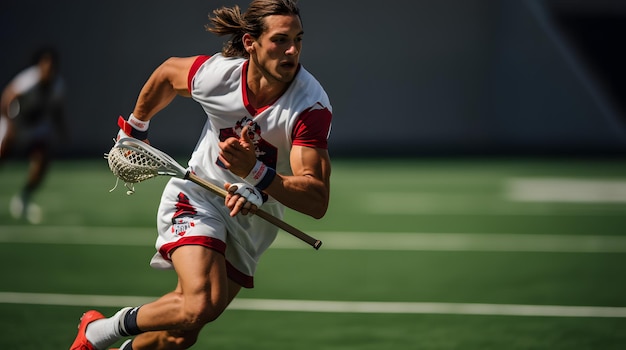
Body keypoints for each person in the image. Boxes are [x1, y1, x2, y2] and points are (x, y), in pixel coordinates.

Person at [70, 0, 332, 349]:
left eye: (298, 40)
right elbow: (167, 74)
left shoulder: (309, 106)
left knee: (181, 335)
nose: (292, 50)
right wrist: (134, 128)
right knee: (200, 303)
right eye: (280, 40)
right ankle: (97, 333)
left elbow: (316, 199)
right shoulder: (218, 76)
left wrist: (255, 174)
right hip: (198, 196)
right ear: (250, 42)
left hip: (254, 221)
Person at [0, 46, 67, 224]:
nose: (48, 68)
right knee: (2, 153)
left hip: (34, 128)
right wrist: (9, 125)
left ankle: (23, 197)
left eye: (51, 65)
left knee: (42, 158)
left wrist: (62, 131)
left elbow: (57, 110)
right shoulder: (29, 80)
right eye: (45, 64)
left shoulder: (57, 85)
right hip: (14, 122)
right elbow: (8, 97)